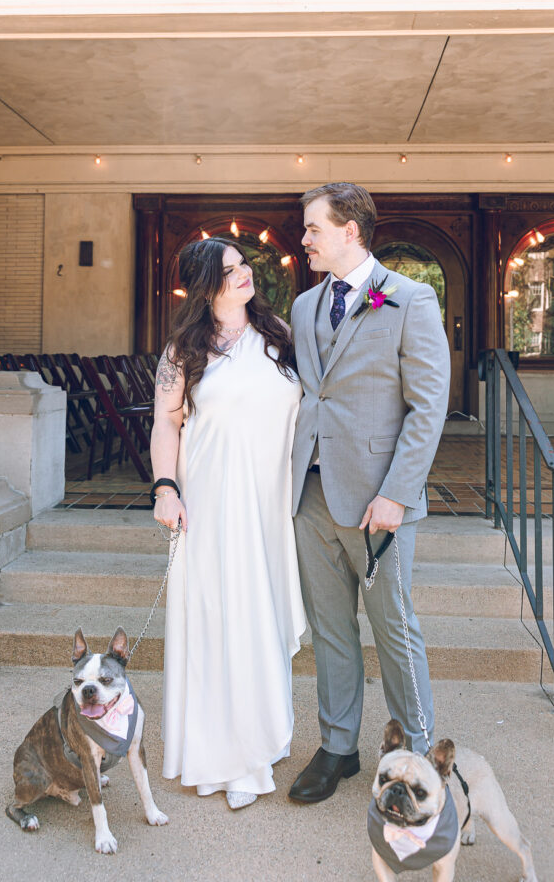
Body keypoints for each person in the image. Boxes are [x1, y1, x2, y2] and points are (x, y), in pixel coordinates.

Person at [288, 183, 450, 804]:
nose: (304, 239)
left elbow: (428, 405)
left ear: (350, 229)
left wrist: (398, 495)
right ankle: (337, 748)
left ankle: (420, 754)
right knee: (330, 629)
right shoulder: (303, 307)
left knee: (396, 630)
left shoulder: (411, 299)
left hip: (380, 502)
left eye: (312, 229)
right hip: (310, 496)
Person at [151, 236, 305, 810]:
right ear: (204, 287)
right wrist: (166, 488)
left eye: (244, 265)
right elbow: (167, 424)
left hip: (270, 503)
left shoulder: (281, 335)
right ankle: (219, 755)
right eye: (228, 271)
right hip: (209, 501)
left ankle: (256, 746)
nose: (244, 275)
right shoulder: (182, 351)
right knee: (217, 619)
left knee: (258, 617)